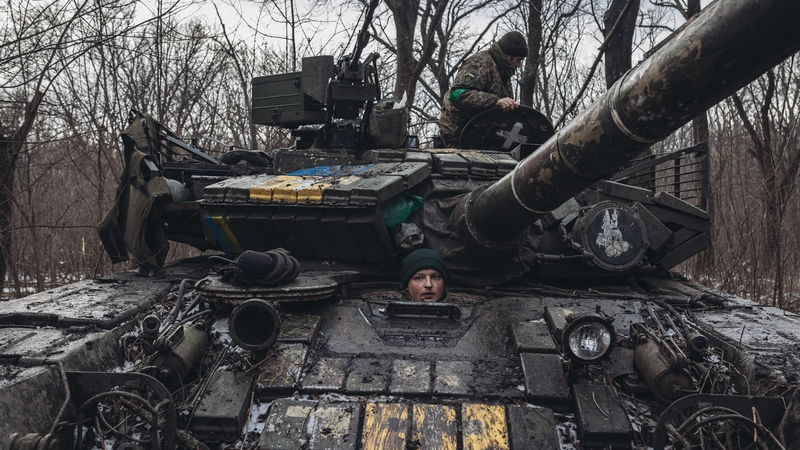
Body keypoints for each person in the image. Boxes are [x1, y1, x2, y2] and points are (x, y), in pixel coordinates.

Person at [438, 31, 528, 147]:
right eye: (518, 60)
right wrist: (495, 101)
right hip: (459, 137)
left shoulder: (503, 74)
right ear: (507, 55)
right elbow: (456, 94)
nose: (519, 65)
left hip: (485, 138)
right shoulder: (480, 63)